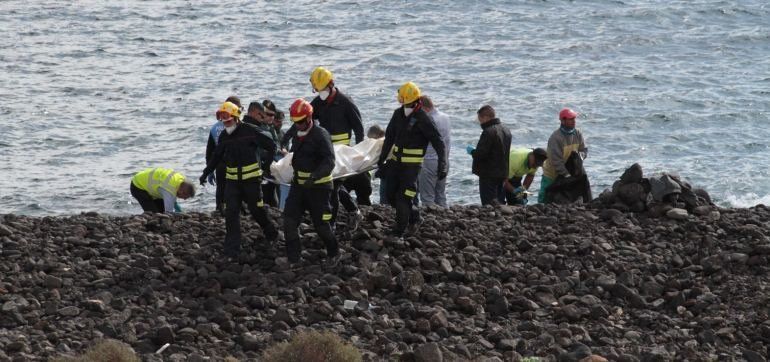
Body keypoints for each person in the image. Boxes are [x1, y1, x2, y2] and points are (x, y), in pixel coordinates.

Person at [199, 101, 278, 258]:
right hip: (233, 182)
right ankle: (232, 249)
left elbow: (271, 146)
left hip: (251, 182)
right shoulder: (223, 136)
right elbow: (216, 156)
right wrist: (206, 172)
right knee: (231, 214)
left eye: (228, 120)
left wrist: (266, 167)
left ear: (236, 118)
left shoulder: (250, 131)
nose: (226, 124)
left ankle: (272, 234)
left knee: (257, 211)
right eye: (223, 121)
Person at [377, 81, 447, 237]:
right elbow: (389, 138)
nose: (402, 104)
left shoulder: (423, 119)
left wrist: (443, 163)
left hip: (412, 167)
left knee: (404, 198)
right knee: (391, 195)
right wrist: (381, 161)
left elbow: (438, 142)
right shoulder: (398, 114)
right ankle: (415, 217)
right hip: (396, 163)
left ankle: (399, 232)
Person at [281, 98, 340, 266]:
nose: (298, 125)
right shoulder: (296, 130)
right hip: (298, 185)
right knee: (289, 221)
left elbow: (329, 161)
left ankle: (334, 252)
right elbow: (284, 140)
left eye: (300, 121)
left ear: (309, 118)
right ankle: (294, 259)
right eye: (295, 122)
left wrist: (314, 177)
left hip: (319, 187)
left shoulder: (321, 135)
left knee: (321, 225)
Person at [539, 108, 588, 204]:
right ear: (563, 121)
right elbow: (556, 161)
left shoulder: (577, 133)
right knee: (545, 197)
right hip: (552, 174)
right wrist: (567, 176)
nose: (574, 122)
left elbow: (583, 150)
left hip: (568, 172)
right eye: (570, 119)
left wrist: (581, 156)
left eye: (574, 119)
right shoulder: (556, 138)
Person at [466, 105, 512, 205]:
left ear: (486, 117)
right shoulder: (506, 130)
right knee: (499, 201)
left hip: (488, 174)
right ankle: (501, 218)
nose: (480, 123)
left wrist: (472, 151)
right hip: (503, 172)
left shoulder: (488, 131)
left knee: (488, 203)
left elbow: (480, 154)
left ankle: (491, 219)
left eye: (480, 120)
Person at [206, 96, 241, 212]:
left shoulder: (215, 128)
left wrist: (210, 170)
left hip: (220, 164)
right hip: (236, 164)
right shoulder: (239, 125)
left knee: (221, 188)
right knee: (237, 189)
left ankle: (219, 209)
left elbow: (210, 151)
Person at [417, 95, 451, 208]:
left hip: (429, 161)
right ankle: (445, 218)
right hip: (444, 160)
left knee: (427, 198)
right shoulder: (445, 117)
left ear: (424, 108)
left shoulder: (428, 120)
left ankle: (431, 221)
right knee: (440, 194)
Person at [131, 167, 195, 213]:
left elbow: (173, 196)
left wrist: (175, 206)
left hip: (150, 184)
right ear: (182, 191)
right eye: (185, 197)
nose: (184, 199)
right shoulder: (169, 190)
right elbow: (168, 212)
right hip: (138, 186)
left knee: (161, 211)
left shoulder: (180, 180)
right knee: (154, 214)